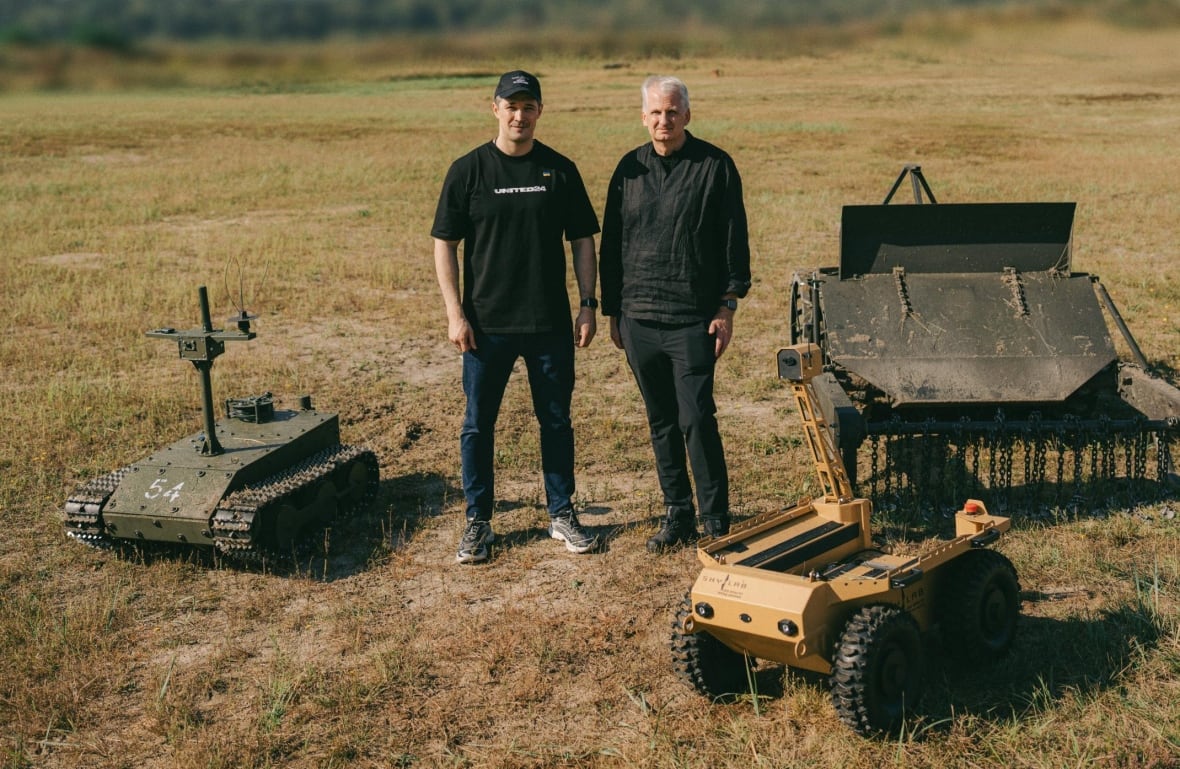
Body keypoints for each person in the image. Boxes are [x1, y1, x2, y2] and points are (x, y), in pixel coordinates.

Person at [431, 70, 602, 564]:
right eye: (511, 106)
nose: (519, 116)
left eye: (528, 107)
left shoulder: (559, 170)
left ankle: (562, 513)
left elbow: (583, 240)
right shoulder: (468, 171)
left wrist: (587, 303)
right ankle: (478, 522)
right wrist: (455, 313)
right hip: (485, 328)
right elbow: (445, 244)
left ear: (540, 112)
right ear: (495, 109)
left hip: (549, 325)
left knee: (556, 421)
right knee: (478, 425)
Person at [599, 74, 751, 552]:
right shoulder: (628, 170)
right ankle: (677, 513)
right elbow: (612, 245)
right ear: (643, 117)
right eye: (655, 113)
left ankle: (715, 518)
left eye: (672, 112)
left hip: (692, 318)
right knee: (661, 419)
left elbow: (734, 240)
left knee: (696, 416)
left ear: (687, 114)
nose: (663, 121)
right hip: (638, 317)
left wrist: (727, 306)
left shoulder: (715, 167)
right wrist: (612, 312)